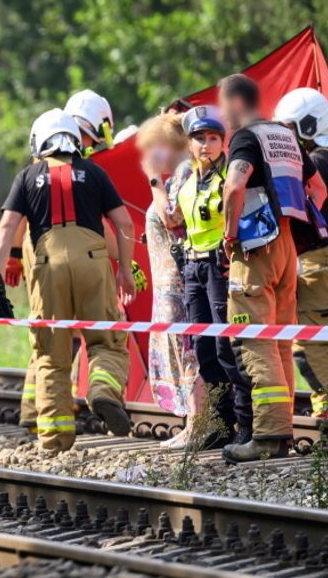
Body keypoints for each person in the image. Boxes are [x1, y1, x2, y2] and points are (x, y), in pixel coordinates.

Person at [0, 109, 137, 451]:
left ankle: (55, 440)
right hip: (92, 263)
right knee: (107, 340)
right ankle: (102, 390)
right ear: (74, 140)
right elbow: (125, 224)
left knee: (51, 356)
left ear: (39, 141)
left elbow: (7, 229)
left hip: (47, 268)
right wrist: (125, 270)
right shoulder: (95, 172)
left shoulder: (27, 176)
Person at [218, 75, 327, 463]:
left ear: (234, 102)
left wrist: (229, 236)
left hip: (254, 249)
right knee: (280, 341)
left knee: (253, 339)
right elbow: (319, 191)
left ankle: (266, 438)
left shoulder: (246, 138)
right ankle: (281, 434)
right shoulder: (286, 136)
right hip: (285, 246)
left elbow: (234, 187)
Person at [19, 88, 121, 431]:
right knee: (94, 338)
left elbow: (14, 220)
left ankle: (40, 417)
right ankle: (100, 390)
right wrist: (121, 262)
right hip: (78, 250)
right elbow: (100, 223)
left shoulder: (41, 158)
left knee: (49, 339)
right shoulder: (85, 163)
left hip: (43, 253)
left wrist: (8, 259)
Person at [274, 88, 328, 416]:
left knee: (310, 347)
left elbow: (298, 208)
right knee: (326, 342)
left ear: (308, 126)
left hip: (316, 259)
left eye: (290, 129)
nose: (287, 137)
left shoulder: (315, 162)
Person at [170, 106, 249, 447]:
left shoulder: (226, 177)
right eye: (200, 138)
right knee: (202, 347)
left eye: (213, 137)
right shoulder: (188, 181)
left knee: (224, 346)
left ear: (222, 142)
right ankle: (220, 425)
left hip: (219, 266)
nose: (206, 144)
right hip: (192, 268)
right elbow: (176, 219)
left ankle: (245, 425)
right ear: (190, 144)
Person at [136, 113, 204, 447]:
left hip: (179, 279)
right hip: (168, 280)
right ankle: (193, 420)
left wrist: (152, 180)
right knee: (179, 348)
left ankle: (198, 424)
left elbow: (172, 217)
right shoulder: (180, 173)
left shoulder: (184, 172)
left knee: (186, 348)